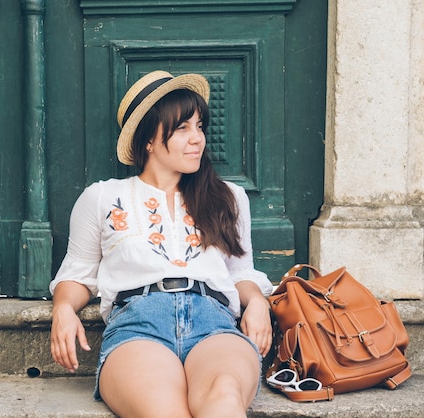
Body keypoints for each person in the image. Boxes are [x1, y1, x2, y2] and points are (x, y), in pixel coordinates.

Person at [49, 70, 274, 418]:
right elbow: (78, 274)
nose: (197, 138)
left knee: (225, 398)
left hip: (214, 322)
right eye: (182, 128)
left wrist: (257, 301)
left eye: (199, 126)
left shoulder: (228, 197)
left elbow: (240, 272)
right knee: (163, 410)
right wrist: (63, 309)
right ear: (149, 140)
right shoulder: (102, 197)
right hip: (139, 324)